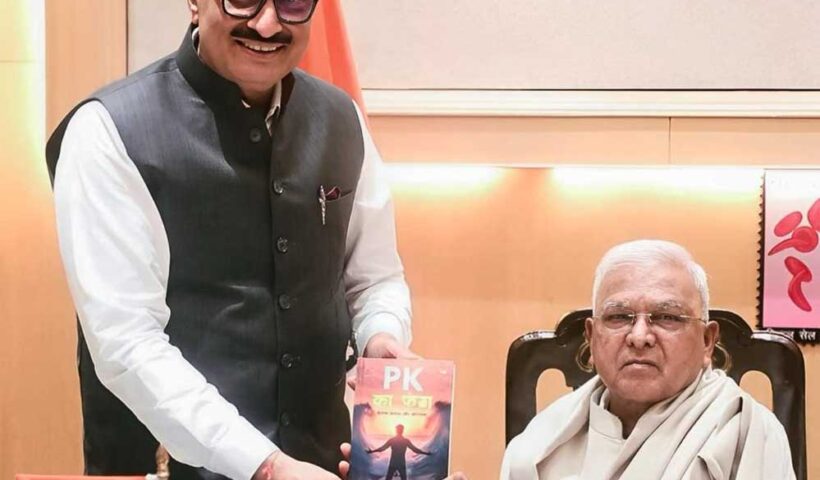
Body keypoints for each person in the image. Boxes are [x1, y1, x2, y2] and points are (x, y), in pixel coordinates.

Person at [45, 1, 415, 479]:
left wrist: (381, 335)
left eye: (292, 2)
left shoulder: (341, 119)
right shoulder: (107, 131)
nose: (268, 24)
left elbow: (374, 278)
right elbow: (127, 343)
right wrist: (267, 466)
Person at [501, 240, 796, 480]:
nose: (639, 336)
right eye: (619, 317)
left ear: (707, 341)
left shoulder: (743, 431)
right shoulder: (540, 445)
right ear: (591, 337)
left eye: (667, 317)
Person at [366, 424, 431, 480]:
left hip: (393, 463)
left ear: (396, 430)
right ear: (402, 431)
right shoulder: (405, 441)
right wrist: (426, 453)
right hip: (401, 463)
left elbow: (382, 448)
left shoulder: (392, 440)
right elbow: (415, 449)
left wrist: (372, 451)